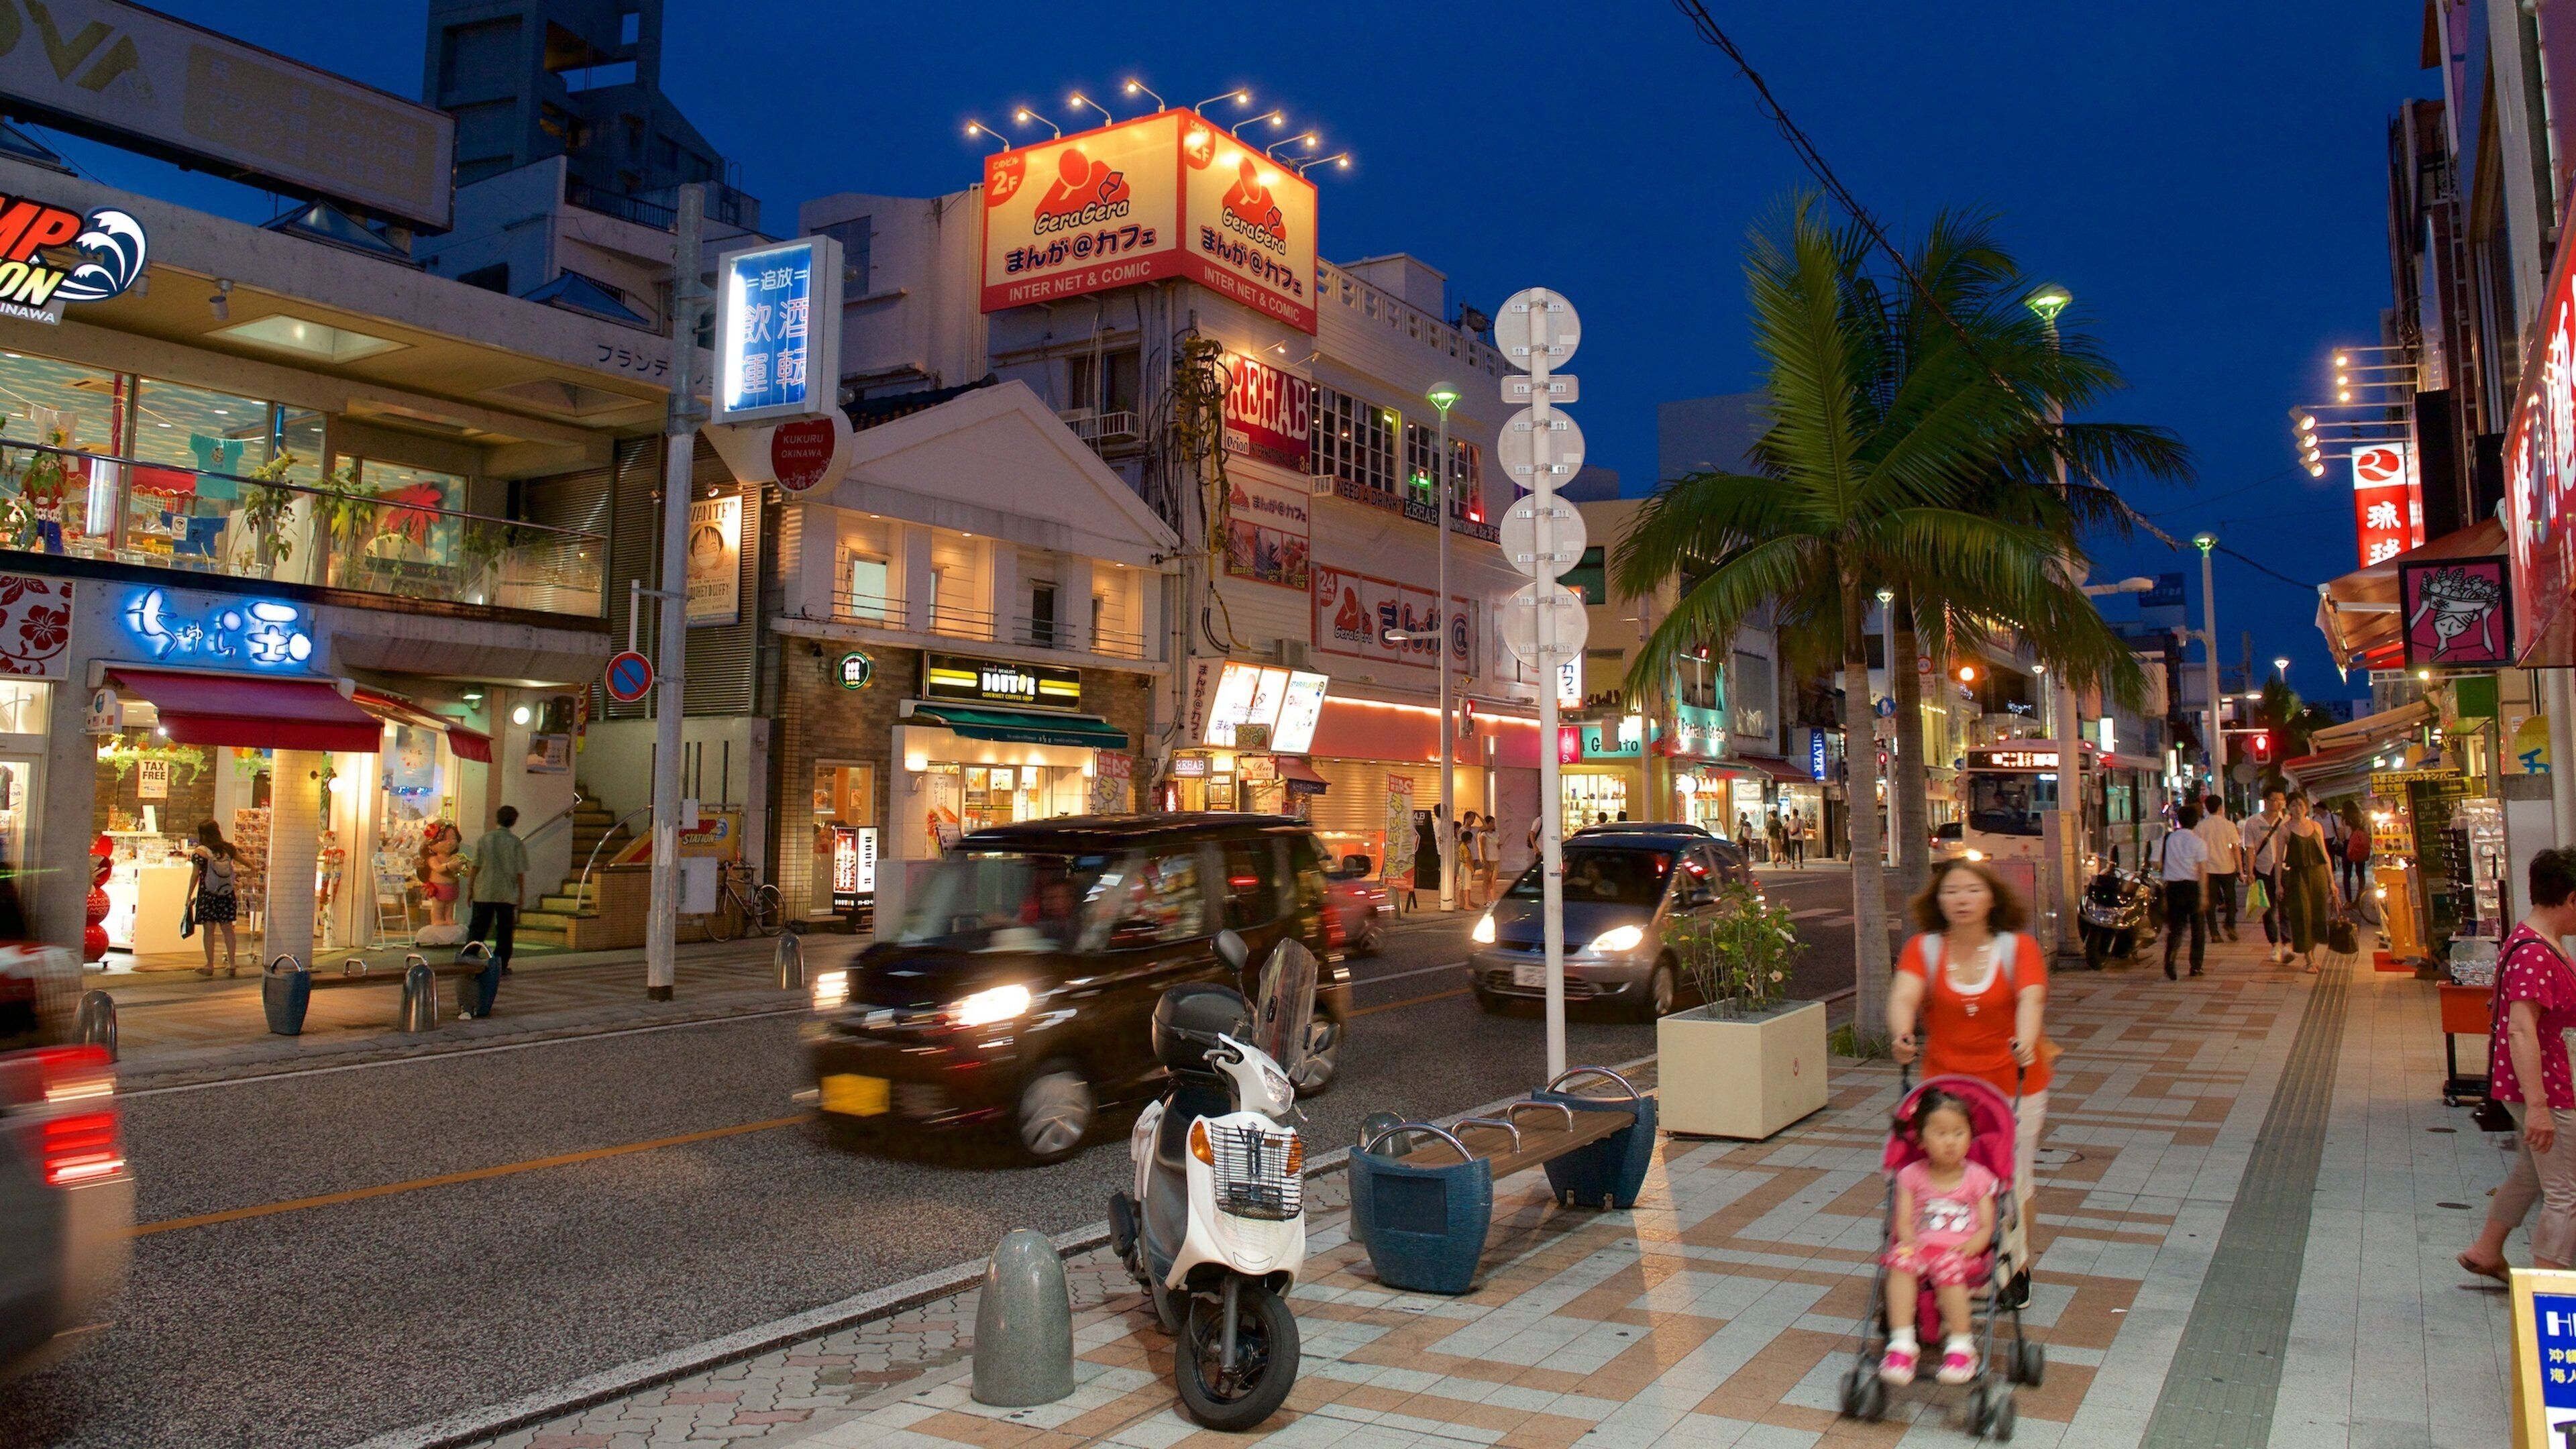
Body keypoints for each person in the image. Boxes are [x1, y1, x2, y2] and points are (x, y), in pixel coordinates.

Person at [1888, 858, 2050, 1299]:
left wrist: (2025, 1039)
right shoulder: (1924, 949)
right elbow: (1904, 995)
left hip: (2013, 1083)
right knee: (1945, 1176)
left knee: (2012, 1179)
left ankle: (2015, 1265)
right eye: (1952, 891)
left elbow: (2030, 1000)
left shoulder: (2018, 949)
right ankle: (1941, 1259)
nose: (1963, 900)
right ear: (1937, 901)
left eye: (1973, 890)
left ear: (1992, 898)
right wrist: (1902, 1032)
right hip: (1945, 1090)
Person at [2461, 847, 2576, 1281]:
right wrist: (2541, 1107)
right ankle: (2549, 1288)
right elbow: (2521, 1031)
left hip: (2534, 1084)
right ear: (2571, 899)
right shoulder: (2535, 953)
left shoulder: (2536, 941)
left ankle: (2486, 1249)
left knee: (2532, 1172)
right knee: (2566, 1192)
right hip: (2547, 1086)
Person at [1876, 1088, 2001, 1387]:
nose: (1950, 1141)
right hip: (1922, 1247)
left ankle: (1961, 1346)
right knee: (1899, 1261)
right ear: (1921, 1139)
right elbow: (1903, 1223)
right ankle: (1902, 1344)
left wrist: (1974, 1246)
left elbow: (1987, 1226)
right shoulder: (1911, 1175)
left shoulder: (1978, 1177)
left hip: (1966, 1254)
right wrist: (1909, 1243)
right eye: (1940, 1133)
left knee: (1947, 1267)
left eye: (1959, 1133)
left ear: (1971, 1135)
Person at [460, 805, 528, 1017]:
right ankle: (501, 963)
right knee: (505, 930)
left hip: (484, 890)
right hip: (506, 893)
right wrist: (521, 895)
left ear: (497, 819)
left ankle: (469, 957)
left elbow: (476, 867)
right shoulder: (516, 843)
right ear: (514, 821)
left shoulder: (484, 840)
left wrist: (470, 889)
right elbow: (519, 873)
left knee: (478, 926)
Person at [2279, 790, 2342, 974]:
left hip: (2318, 876)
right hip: (2297, 877)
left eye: (2300, 805)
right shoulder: (2285, 829)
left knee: (2317, 916)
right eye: (2293, 805)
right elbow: (2278, 860)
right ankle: (2308, 959)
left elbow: (2324, 856)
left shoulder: (2317, 826)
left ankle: (2312, 955)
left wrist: (2332, 882)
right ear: (2288, 808)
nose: (2297, 809)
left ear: (2306, 807)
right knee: (2302, 917)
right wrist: (2278, 885)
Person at [2239, 786, 2292, 960]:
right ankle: (2274, 944)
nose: (2278, 804)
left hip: (2284, 869)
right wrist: (2250, 872)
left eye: (2281, 800)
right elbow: (2250, 849)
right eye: (2275, 800)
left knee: (2286, 908)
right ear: (2266, 800)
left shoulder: (2287, 821)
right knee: (2267, 909)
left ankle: (2287, 944)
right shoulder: (2253, 822)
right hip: (2263, 870)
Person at [2158, 805, 2210, 979]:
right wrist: (2204, 895)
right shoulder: (2199, 843)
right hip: (2192, 887)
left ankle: (2170, 962)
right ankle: (2196, 967)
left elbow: (2158, 864)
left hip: (2173, 887)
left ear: (2179, 820)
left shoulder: (2168, 839)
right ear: (2196, 822)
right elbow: (2203, 871)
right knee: (2198, 929)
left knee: (2176, 929)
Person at [188, 821, 240, 977]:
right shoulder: (228, 849)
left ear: (202, 834)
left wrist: (188, 896)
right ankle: (232, 964)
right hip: (226, 894)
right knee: (228, 929)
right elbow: (248, 863)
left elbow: (195, 875)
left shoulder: (200, 852)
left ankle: (210, 965)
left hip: (208, 894)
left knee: (209, 930)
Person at [2194, 794, 2243, 943]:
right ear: (2221, 808)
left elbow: (2196, 849)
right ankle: (2230, 924)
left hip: (2208, 869)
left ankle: (2214, 933)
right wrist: (2241, 869)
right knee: (2231, 899)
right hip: (2227, 868)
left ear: (2206, 808)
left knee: (2211, 902)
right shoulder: (2229, 825)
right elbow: (2235, 848)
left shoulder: (2200, 827)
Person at [418, 822, 464, 929]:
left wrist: (462, 868)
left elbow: (462, 871)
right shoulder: (433, 859)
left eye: (452, 838)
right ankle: (437, 919)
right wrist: (449, 866)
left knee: (450, 905)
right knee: (438, 906)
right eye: (444, 839)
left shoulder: (455, 858)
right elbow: (438, 868)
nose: (449, 843)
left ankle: (449, 918)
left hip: (452, 885)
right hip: (439, 886)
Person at [2338, 800, 2374, 902]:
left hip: (2348, 845)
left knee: (2347, 875)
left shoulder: (2343, 820)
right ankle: (2360, 898)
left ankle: (2349, 901)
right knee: (2360, 873)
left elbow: (2341, 836)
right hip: (2360, 845)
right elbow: (2367, 832)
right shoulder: (2362, 818)